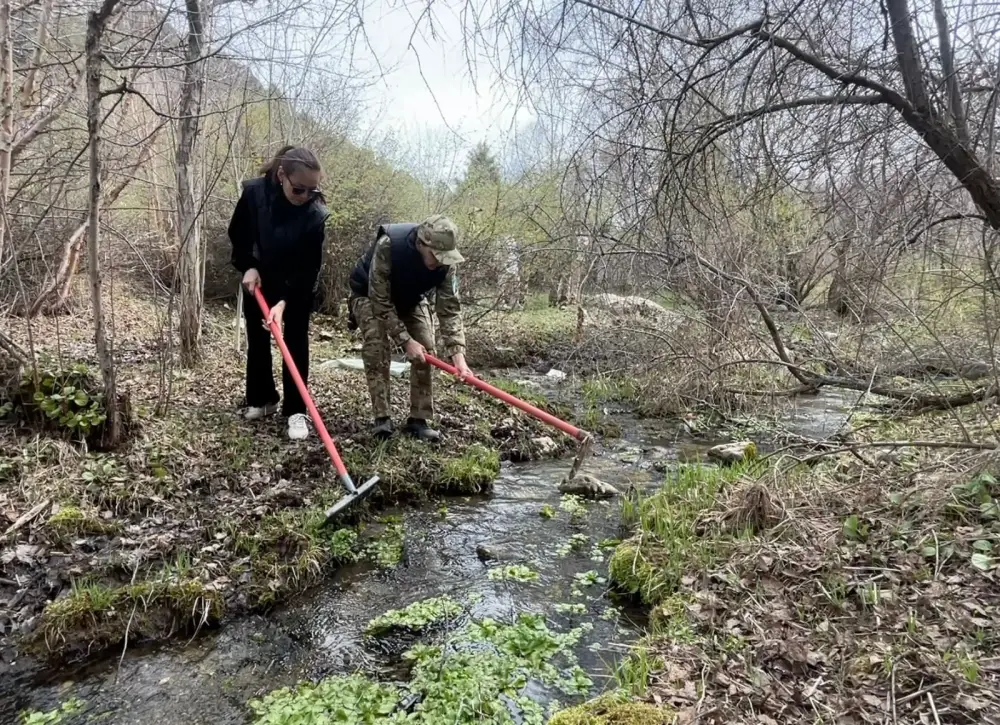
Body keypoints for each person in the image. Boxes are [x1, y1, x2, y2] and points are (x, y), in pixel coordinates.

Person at [228, 145, 330, 440]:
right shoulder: (254, 194)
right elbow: (239, 234)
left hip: (296, 283)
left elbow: (310, 268)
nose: (306, 196)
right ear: (282, 175)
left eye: (313, 190)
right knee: (258, 337)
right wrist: (247, 265)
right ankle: (263, 399)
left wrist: (285, 301)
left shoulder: (315, 215)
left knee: (295, 341)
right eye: (300, 189)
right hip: (259, 276)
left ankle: (296, 411)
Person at [348, 215, 472, 441]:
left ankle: (418, 419)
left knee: (426, 347)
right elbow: (380, 301)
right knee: (376, 345)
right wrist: (405, 340)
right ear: (420, 244)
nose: (439, 262)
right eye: (435, 256)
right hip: (368, 295)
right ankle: (382, 418)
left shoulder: (447, 264)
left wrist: (458, 356)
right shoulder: (389, 246)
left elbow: (450, 309)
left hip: (410, 297)